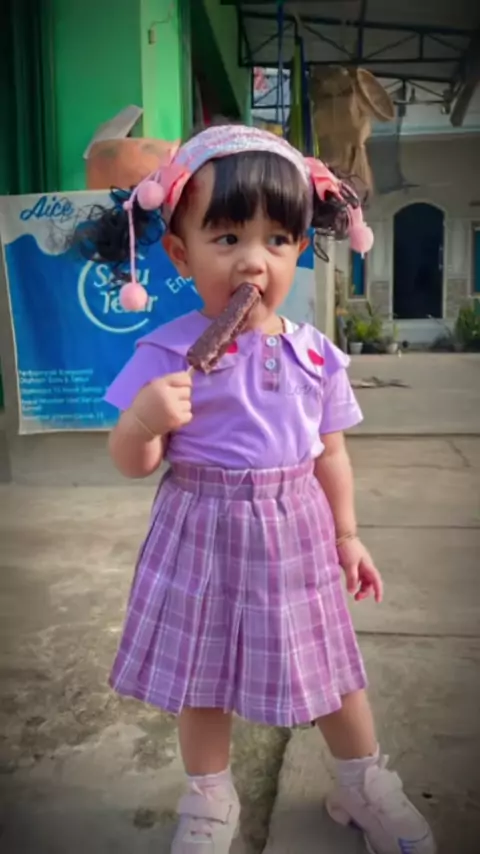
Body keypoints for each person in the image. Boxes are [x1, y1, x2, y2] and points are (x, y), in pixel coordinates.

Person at [77, 125, 435, 854]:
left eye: (276, 240)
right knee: (202, 678)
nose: (253, 260)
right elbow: (132, 461)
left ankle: (361, 781)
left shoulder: (315, 355)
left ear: (299, 248)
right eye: (227, 237)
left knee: (329, 667)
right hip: (199, 528)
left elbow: (331, 452)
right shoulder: (166, 351)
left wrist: (347, 533)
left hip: (296, 527)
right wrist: (144, 419)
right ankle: (210, 798)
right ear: (180, 253)